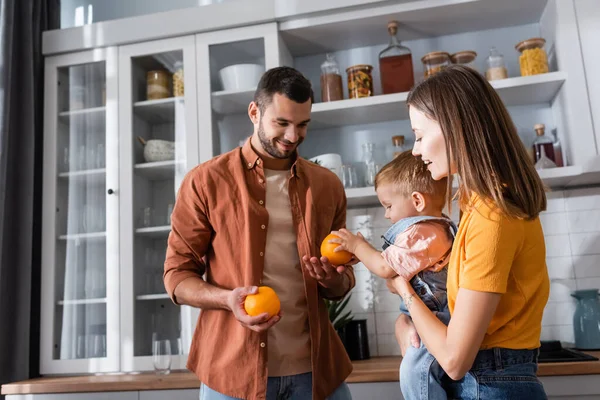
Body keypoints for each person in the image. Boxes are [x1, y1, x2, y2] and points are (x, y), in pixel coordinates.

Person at [164, 66, 355, 400]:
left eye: (302, 124)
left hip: (316, 372)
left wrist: (331, 279)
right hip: (232, 373)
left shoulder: (328, 186)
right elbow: (177, 277)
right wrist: (226, 299)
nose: (293, 136)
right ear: (255, 112)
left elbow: (342, 281)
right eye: (281, 123)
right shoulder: (205, 182)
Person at [389, 65, 550, 399]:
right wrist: (405, 323)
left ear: (455, 128)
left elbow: (453, 359)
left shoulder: (493, 215)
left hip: (492, 383)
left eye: (419, 136)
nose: (416, 150)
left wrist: (404, 290)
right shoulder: (476, 205)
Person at [328, 150, 457, 399]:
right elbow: (392, 272)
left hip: (435, 319)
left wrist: (358, 247)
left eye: (388, 206)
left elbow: (387, 269)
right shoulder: (427, 229)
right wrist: (366, 255)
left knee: (415, 370)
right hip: (425, 317)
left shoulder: (423, 233)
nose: (386, 214)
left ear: (417, 200)